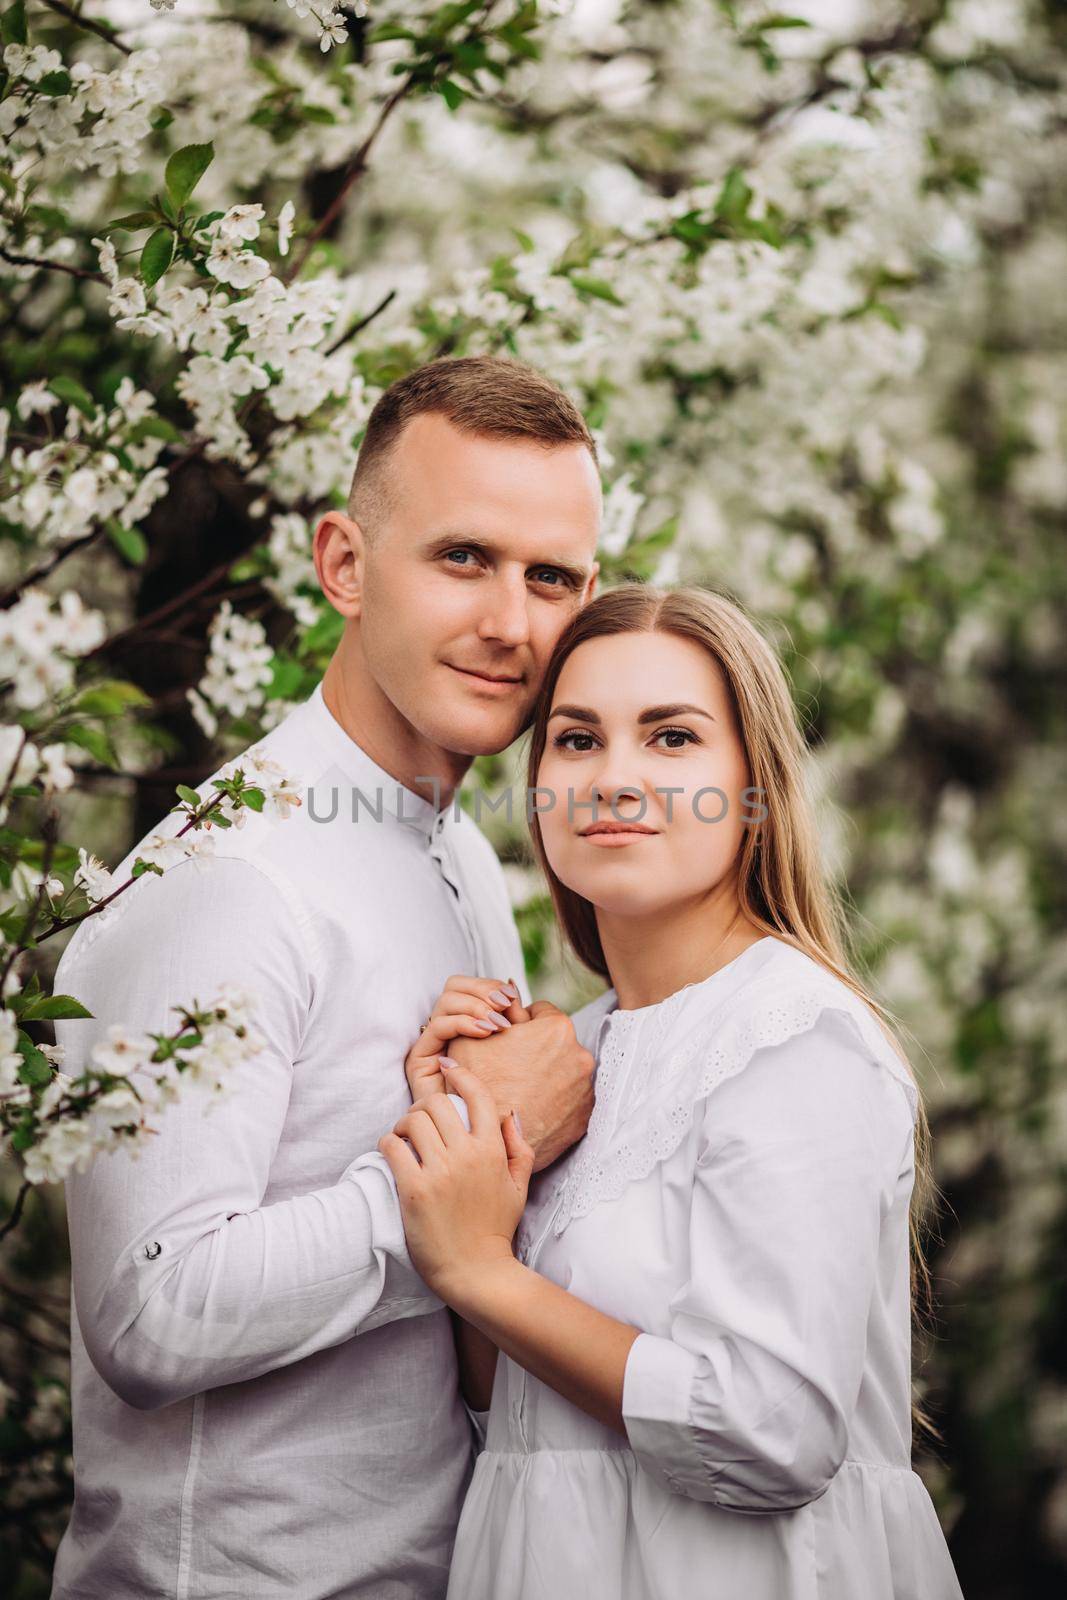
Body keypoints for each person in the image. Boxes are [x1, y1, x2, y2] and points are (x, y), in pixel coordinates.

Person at [49, 356, 604, 1600]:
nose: (511, 623)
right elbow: (149, 1317)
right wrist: (474, 1159)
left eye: (551, 577)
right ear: (344, 563)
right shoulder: (232, 878)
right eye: (463, 557)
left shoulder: (457, 852)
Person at [380, 585, 967, 1600]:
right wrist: (484, 1146)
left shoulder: (790, 1037)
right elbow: (513, 1420)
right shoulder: (575, 1049)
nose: (613, 778)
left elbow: (772, 1433)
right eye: (574, 740)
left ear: (752, 786)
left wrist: (482, 1271)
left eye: (670, 738)